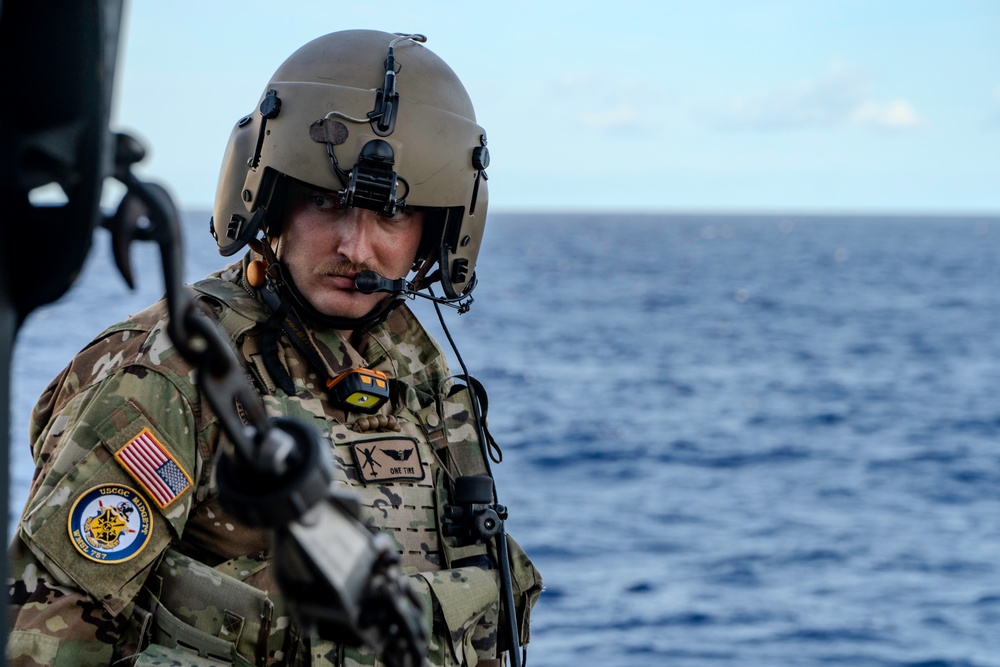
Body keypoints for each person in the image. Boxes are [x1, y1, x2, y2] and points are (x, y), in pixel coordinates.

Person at [7, 29, 542, 667]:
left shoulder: (411, 367)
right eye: (326, 202)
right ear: (270, 201)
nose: (356, 247)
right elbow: (41, 641)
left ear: (438, 229)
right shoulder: (166, 373)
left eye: (391, 216)